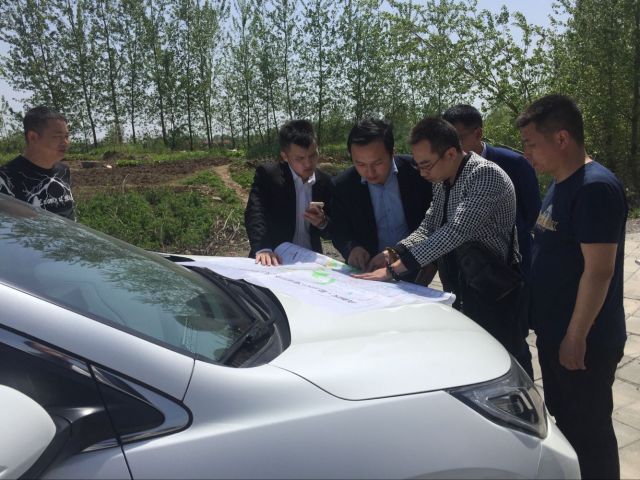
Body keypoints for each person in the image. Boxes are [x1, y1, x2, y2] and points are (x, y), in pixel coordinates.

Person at [354, 117, 532, 377]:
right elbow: (430, 225)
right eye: (418, 166)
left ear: (450, 153)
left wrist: (395, 270)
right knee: (474, 361)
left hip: (494, 291)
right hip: (462, 285)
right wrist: (394, 252)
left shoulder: (485, 176)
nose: (422, 173)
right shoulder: (443, 179)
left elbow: (455, 231)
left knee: (508, 360)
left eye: (426, 165)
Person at [517, 94, 627, 479]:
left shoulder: (594, 188)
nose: (527, 153)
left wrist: (575, 336)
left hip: (585, 341)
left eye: (531, 144)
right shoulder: (561, 183)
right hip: (557, 332)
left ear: (561, 138)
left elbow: (599, 271)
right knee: (568, 425)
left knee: (589, 433)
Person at [443, 104, 541, 275]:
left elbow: (532, 212)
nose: (449, 148)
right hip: (464, 268)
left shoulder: (514, 164)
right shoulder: (444, 169)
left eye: (457, 139)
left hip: (511, 266)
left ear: (478, 134)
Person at [331, 118, 432, 275]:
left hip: (414, 266)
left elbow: (433, 222)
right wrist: (352, 249)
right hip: (368, 270)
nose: (369, 172)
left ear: (392, 152)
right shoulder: (343, 185)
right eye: (360, 164)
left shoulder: (418, 173)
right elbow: (339, 230)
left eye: (377, 163)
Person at [245, 120, 333, 265]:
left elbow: (334, 229)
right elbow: (255, 212)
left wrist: (323, 222)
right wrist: (263, 248)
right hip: (274, 258)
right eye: (300, 158)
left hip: (310, 262)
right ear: (285, 156)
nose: (308, 163)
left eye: (313, 155)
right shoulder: (269, 176)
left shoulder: (325, 181)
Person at [0, 106, 75, 220]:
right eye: (58, 136)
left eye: (66, 136)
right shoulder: (5, 178)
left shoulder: (63, 171)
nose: (65, 142)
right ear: (33, 137)